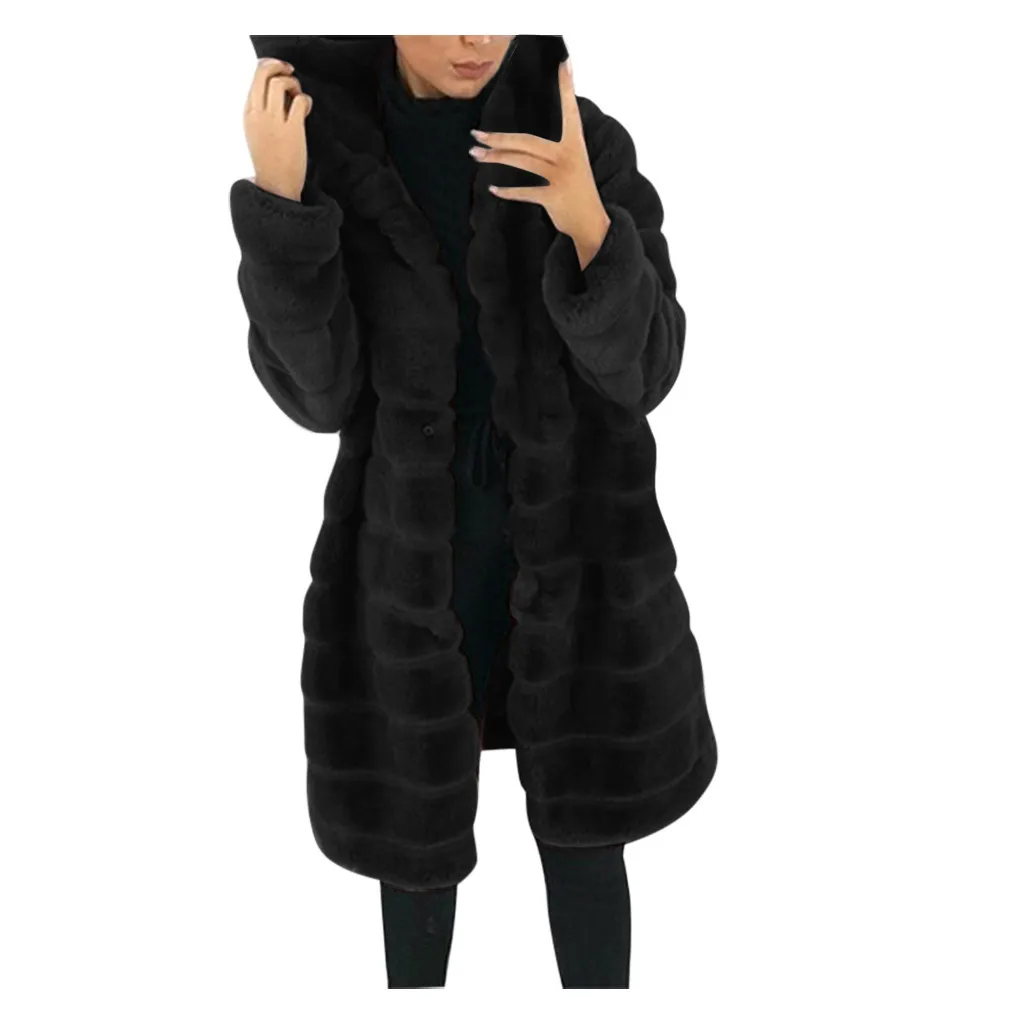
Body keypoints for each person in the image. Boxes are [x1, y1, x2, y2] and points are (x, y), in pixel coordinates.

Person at [229, 34, 717, 989]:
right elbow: (319, 398)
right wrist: (283, 206)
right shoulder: (331, 158)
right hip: (412, 576)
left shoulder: (581, 141)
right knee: (416, 861)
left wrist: (588, 222)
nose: (475, 38)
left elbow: (648, 372)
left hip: (580, 569)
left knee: (585, 844)